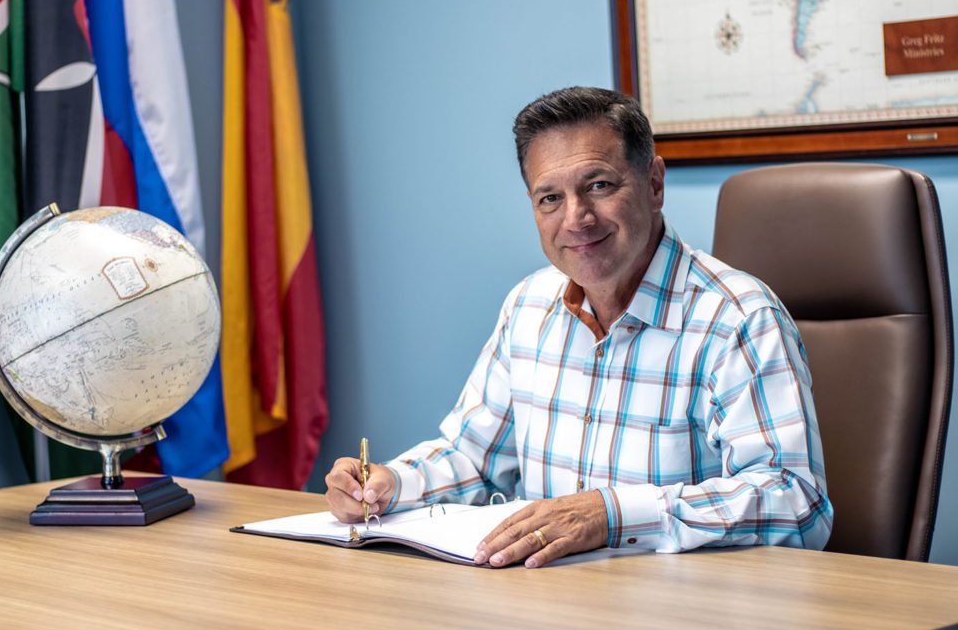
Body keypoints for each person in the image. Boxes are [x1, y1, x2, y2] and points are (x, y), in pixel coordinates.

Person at [324, 86, 833, 568]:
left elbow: (795, 499)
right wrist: (391, 483)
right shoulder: (529, 306)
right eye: (550, 198)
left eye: (599, 185)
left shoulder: (737, 319)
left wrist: (612, 515)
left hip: (687, 617)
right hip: (550, 609)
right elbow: (475, 458)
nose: (577, 218)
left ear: (654, 184)